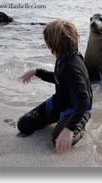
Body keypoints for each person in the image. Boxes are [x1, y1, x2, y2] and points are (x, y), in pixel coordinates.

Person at [17, 19, 93, 154]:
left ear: (55, 45)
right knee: (24, 125)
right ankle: (60, 121)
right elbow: (60, 79)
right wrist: (37, 72)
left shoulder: (73, 66)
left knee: (57, 140)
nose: (49, 48)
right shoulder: (63, 57)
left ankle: (79, 126)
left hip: (76, 110)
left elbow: (84, 99)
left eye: (49, 44)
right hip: (59, 103)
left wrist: (69, 128)